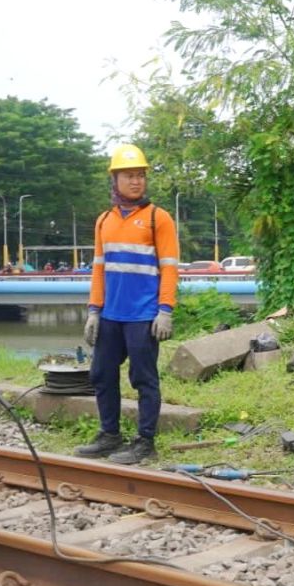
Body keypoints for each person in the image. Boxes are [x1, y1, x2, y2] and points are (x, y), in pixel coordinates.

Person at [76, 144, 180, 464]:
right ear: (115, 179)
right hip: (111, 314)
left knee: (144, 378)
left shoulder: (157, 219)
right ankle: (110, 435)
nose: (136, 182)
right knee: (102, 374)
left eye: (140, 176)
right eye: (129, 176)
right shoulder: (104, 221)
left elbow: (170, 267)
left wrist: (165, 310)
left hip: (143, 315)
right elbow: (98, 268)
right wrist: (94, 311)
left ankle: (145, 441)